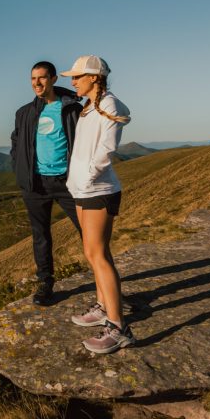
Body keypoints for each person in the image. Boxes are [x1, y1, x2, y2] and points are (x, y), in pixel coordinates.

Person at [61, 55, 135, 354]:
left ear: (94, 77)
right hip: (82, 188)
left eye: (78, 76)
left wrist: (88, 178)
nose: (73, 81)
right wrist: (74, 180)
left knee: (98, 254)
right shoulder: (90, 106)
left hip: (98, 189)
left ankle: (119, 328)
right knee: (92, 252)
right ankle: (104, 306)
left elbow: (106, 150)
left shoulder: (110, 106)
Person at [10, 61, 83, 306]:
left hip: (67, 182)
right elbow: (16, 144)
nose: (37, 83)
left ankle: (107, 285)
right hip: (35, 183)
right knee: (40, 234)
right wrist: (20, 170)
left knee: (88, 231)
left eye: (42, 78)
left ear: (53, 79)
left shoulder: (71, 108)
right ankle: (45, 282)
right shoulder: (24, 113)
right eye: (33, 79)